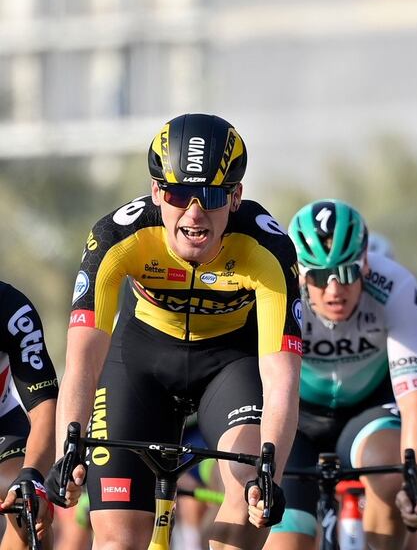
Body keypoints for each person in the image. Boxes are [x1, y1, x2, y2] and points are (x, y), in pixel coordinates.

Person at [45, 114, 302, 550]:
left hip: (229, 366)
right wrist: (67, 448)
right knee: (118, 540)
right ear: (156, 193)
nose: (194, 212)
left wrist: (269, 473)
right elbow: (84, 359)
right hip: (137, 364)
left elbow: (282, 377)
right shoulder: (117, 237)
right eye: (179, 194)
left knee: (247, 494)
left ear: (236, 196)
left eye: (210, 195)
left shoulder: (268, 249)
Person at [268, 200, 417, 550]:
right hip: (296, 417)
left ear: (366, 264)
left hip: (367, 413)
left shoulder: (395, 286)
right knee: (290, 541)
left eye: (346, 273)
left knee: (394, 476)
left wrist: (416, 486)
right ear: (299, 272)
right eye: (316, 276)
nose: (333, 290)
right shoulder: (278, 288)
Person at [0, 282, 59, 548]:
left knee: (28, 502)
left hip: (4, 424)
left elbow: (44, 405)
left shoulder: (11, 308)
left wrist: (32, 477)